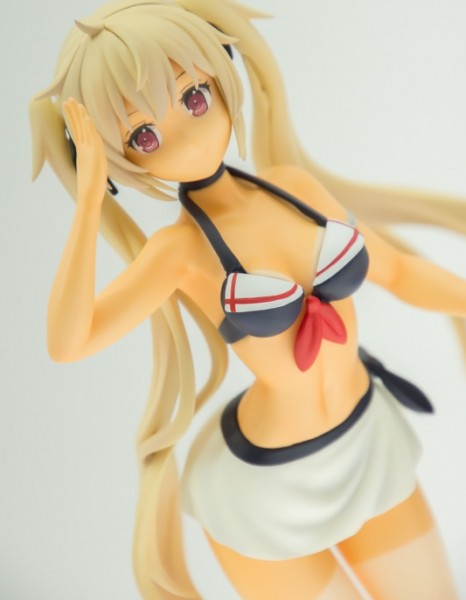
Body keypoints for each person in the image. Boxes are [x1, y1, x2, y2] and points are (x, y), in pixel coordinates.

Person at [30, 1, 466, 598]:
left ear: (220, 70)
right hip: (267, 492)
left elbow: (398, 271)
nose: (187, 134)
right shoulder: (178, 251)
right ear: (118, 158)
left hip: (368, 437)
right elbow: (69, 341)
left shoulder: (294, 189)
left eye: (194, 97)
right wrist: (87, 204)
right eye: (144, 135)